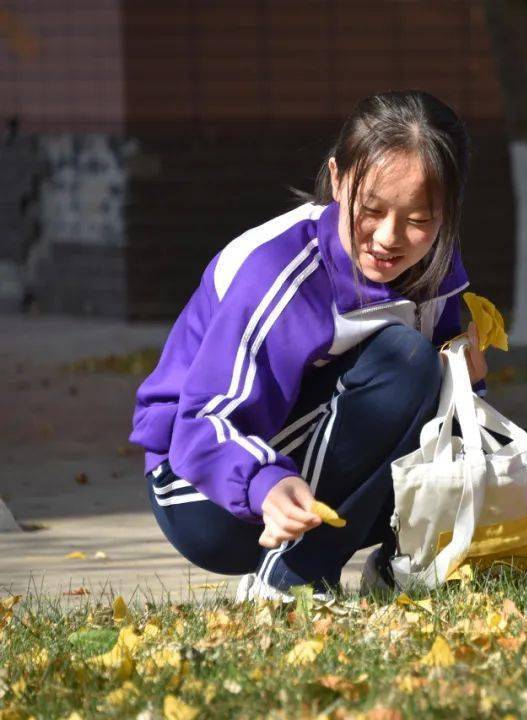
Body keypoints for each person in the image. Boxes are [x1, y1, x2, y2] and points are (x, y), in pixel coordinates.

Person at [130, 91, 486, 599]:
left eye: (418, 220)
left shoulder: (435, 267)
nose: (389, 237)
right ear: (338, 179)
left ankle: (399, 565)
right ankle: (291, 577)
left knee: (459, 413)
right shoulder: (279, 271)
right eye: (372, 210)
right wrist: (264, 483)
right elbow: (201, 422)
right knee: (404, 360)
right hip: (204, 491)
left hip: (304, 471)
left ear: (448, 210)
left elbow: (429, 409)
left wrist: (465, 379)